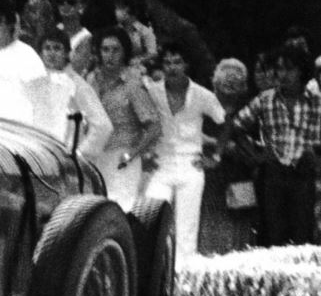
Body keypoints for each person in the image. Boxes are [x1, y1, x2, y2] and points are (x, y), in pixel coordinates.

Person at [223, 44, 321, 246]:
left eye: (289, 69)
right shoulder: (266, 99)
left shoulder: (315, 101)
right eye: (279, 69)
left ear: (301, 70)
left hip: (304, 173)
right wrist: (255, 155)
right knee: (274, 234)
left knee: (303, 236)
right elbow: (236, 127)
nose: (283, 75)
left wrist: (315, 156)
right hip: (274, 173)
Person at [143, 42, 226, 262]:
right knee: (151, 221)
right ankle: (153, 279)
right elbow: (136, 121)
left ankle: (183, 284)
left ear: (186, 64)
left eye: (177, 61)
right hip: (161, 165)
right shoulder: (153, 92)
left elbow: (225, 122)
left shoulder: (201, 95)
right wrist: (144, 155)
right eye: (168, 62)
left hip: (191, 165)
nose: (172, 67)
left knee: (187, 230)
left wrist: (216, 155)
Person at [87, 25, 162, 211]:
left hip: (121, 159)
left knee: (121, 213)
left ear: (124, 53)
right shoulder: (90, 80)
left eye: (115, 50)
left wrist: (132, 154)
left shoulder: (132, 84)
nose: (110, 55)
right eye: (105, 49)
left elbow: (155, 127)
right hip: (94, 159)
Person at [199, 58, 258, 254]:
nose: (231, 81)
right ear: (214, 83)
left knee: (240, 241)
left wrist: (230, 148)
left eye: (236, 79)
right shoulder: (202, 110)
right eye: (226, 77)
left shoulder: (250, 112)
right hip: (209, 183)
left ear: (244, 86)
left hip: (241, 181)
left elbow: (255, 151)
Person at [35, 28, 112, 159]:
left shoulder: (77, 84)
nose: (51, 53)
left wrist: (79, 154)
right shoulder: (35, 82)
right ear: (41, 53)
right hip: (39, 156)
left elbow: (103, 126)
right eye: (47, 48)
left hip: (66, 159)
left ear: (67, 53)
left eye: (57, 48)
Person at [56, 0, 93, 76]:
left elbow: (75, 71)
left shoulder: (86, 38)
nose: (65, 5)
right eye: (61, 1)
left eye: (70, 2)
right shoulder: (54, 30)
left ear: (82, 7)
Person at [114, 0, 157, 67]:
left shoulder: (145, 32)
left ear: (127, 10)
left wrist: (137, 60)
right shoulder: (115, 30)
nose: (115, 12)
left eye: (117, 8)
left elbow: (153, 53)